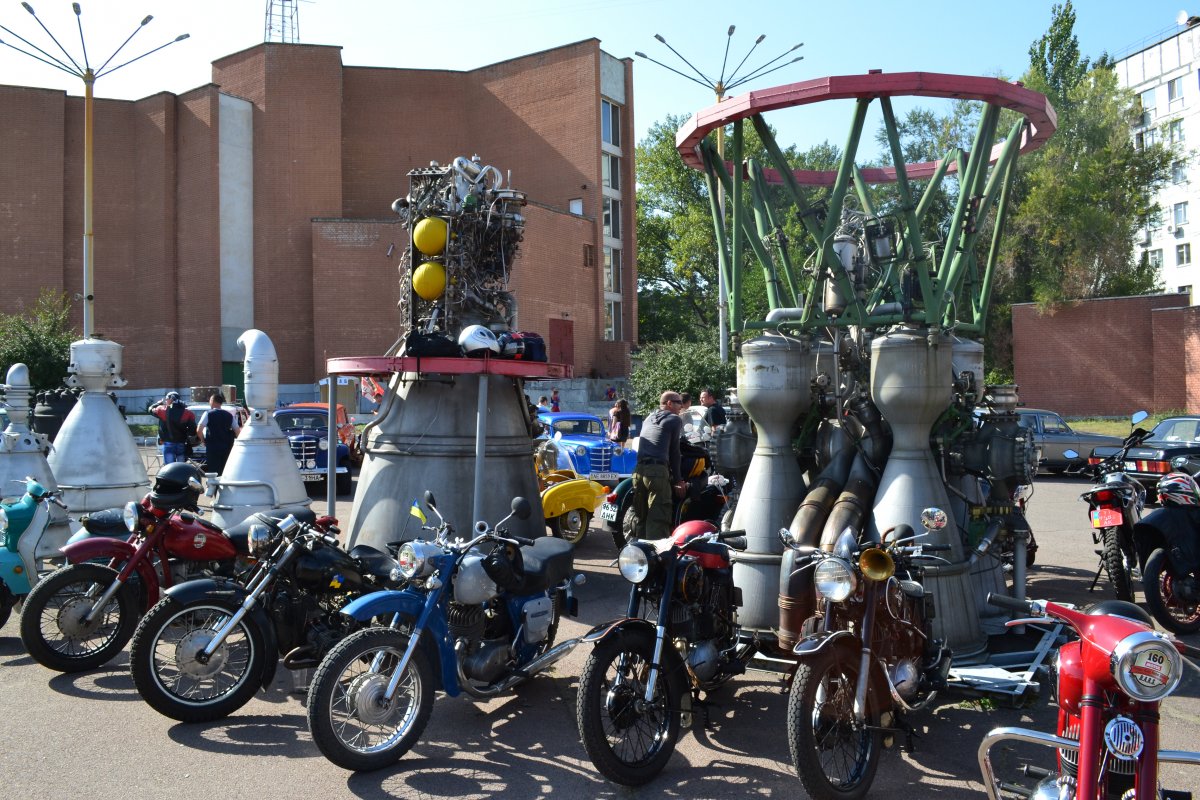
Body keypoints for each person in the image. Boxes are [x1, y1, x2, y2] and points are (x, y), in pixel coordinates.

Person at [631, 391, 686, 540]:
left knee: (641, 517)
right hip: (657, 472)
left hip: (638, 471)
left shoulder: (648, 418)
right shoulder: (674, 419)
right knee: (658, 518)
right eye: (679, 403)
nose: (681, 406)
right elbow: (675, 452)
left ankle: (639, 549)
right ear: (669, 403)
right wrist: (678, 480)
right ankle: (656, 552)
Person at [197, 392, 241, 475]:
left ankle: (214, 483)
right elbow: (238, 431)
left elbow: (199, 430)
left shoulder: (208, 413)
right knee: (225, 470)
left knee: (213, 471)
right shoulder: (229, 415)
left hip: (212, 447)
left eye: (210, 400)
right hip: (226, 447)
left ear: (212, 401)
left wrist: (203, 440)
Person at [149, 391, 197, 465]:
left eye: (166, 399)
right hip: (181, 443)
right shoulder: (188, 413)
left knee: (169, 467)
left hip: (168, 443)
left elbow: (150, 409)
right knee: (180, 467)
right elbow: (193, 430)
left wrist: (158, 403)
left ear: (170, 399)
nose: (165, 401)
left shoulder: (162, 410)